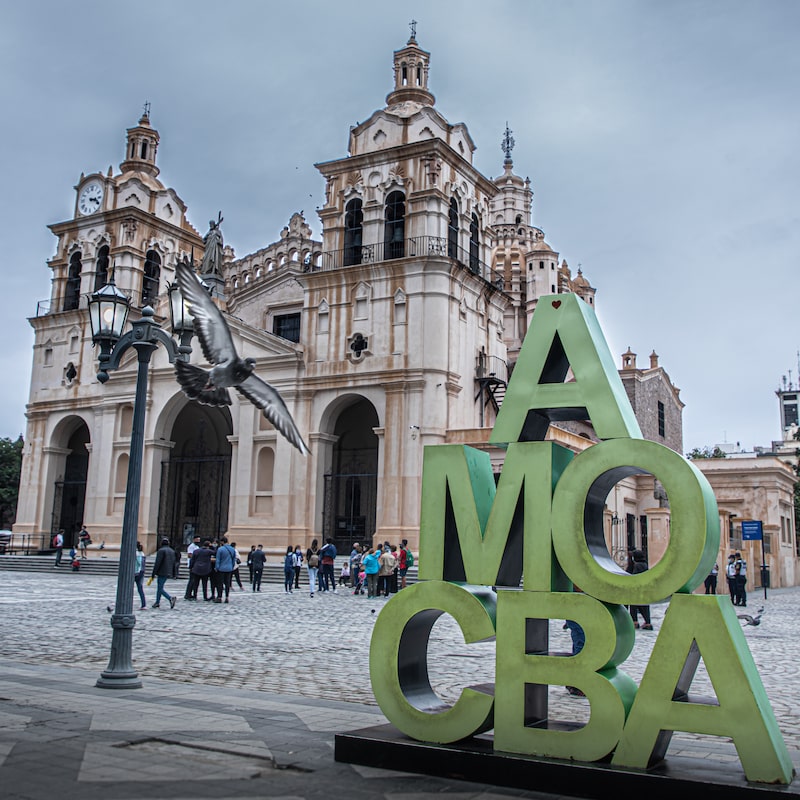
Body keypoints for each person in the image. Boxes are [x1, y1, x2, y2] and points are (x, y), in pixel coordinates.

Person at [627, 549, 653, 630]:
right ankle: (647, 623)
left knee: (633, 605)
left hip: (637, 589)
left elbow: (633, 575)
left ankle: (635, 621)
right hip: (644, 589)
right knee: (644, 607)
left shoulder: (637, 565)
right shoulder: (645, 564)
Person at [151, 538, 179, 609]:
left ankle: (170, 598)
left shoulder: (161, 551)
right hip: (168, 571)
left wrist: (153, 573)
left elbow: (158, 562)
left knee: (160, 588)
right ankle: (157, 602)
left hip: (161, 571)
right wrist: (174, 573)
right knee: (160, 587)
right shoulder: (172, 551)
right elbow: (174, 563)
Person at [214, 536, 237, 603]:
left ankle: (219, 597)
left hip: (221, 568)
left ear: (222, 542)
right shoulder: (232, 549)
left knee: (220, 583)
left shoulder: (220, 549)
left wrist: (216, 567)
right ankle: (227, 597)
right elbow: (233, 560)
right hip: (229, 568)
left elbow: (218, 560)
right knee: (227, 583)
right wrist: (232, 567)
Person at [134, 541, 147, 610]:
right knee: (140, 589)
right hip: (141, 572)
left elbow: (139, 563)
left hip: (135, 572)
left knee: (127, 589)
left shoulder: (135, 553)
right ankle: (143, 604)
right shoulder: (142, 553)